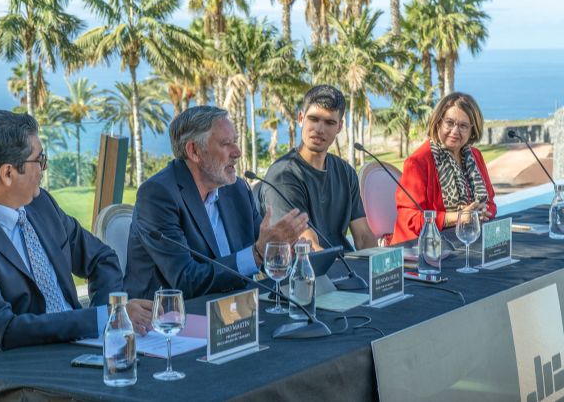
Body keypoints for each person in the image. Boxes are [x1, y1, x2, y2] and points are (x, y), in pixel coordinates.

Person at [0, 110, 153, 401]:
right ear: (8, 173)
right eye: (39, 160)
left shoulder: (40, 205)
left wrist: (107, 330)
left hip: (72, 356)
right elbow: (4, 331)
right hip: (5, 380)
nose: (43, 169)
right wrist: (102, 317)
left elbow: (101, 259)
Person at [124, 106, 309, 300]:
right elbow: (186, 280)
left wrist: (284, 251)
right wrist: (258, 253)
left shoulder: (237, 189)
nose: (237, 152)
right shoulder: (158, 195)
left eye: (235, 142)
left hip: (234, 312)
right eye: (226, 144)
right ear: (194, 151)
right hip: (170, 319)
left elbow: (261, 251)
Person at [260, 85, 378, 252]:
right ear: (301, 118)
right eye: (314, 119)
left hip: (347, 269)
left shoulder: (345, 172)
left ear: (339, 127)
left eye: (329, 122)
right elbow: (309, 247)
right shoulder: (283, 176)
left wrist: (380, 271)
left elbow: (364, 235)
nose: (319, 129)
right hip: (307, 273)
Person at [391, 92, 496, 244]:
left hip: (465, 242)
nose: (455, 131)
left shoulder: (475, 156)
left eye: (463, 126)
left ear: (473, 130)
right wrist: (460, 217)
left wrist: (482, 213)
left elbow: (490, 203)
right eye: (449, 123)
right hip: (419, 249)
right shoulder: (418, 162)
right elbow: (411, 218)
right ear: (438, 122)